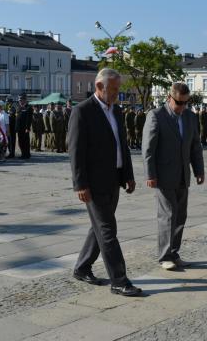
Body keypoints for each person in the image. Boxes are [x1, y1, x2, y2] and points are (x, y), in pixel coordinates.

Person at [68, 68, 141, 297]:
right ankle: (119, 280)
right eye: (114, 90)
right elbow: (76, 152)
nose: (117, 94)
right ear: (99, 86)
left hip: (114, 179)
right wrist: (80, 184)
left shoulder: (116, 111)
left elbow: (122, 145)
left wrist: (128, 174)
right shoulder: (82, 111)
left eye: (118, 89)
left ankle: (82, 267)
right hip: (93, 182)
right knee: (108, 230)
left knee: (99, 227)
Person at [142, 82, 205, 270]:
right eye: (179, 102)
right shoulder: (156, 116)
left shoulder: (190, 117)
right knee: (168, 215)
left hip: (182, 175)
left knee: (180, 216)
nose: (182, 107)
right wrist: (150, 174)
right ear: (170, 98)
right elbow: (148, 148)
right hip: (163, 175)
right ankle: (164, 256)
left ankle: (174, 252)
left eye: (186, 103)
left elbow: (195, 146)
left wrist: (199, 170)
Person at [16, 94, 33, 159]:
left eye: (21, 100)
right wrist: (16, 128)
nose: (20, 101)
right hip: (19, 128)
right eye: (19, 100)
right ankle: (23, 153)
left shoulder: (28, 107)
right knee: (20, 141)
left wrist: (27, 128)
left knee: (26, 142)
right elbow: (17, 118)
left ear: (25, 100)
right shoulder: (19, 107)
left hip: (25, 128)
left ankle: (27, 154)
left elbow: (29, 119)